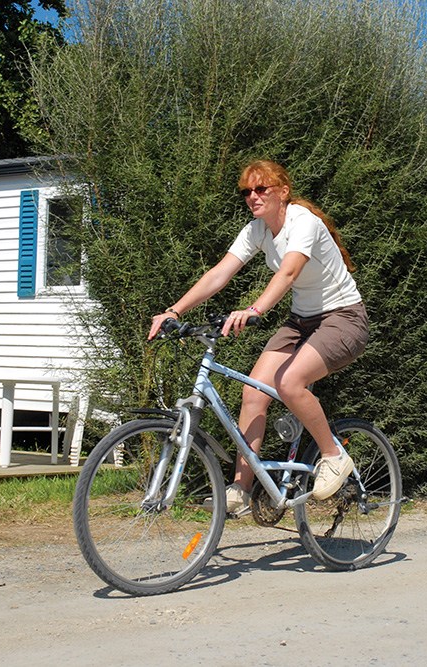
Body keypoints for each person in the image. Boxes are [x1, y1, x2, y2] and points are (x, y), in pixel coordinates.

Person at [148, 159, 369, 514]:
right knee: (252, 391)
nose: (253, 196)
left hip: (344, 318)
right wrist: (174, 310)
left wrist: (254, 310)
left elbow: (289, 272)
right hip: (303, 321)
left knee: (290, 381)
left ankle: (333, 455)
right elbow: (220, 273)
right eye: (247, 191)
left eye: (261, 189)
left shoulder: (303, 222)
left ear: (283, 192)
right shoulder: (257, 230)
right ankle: (240, 490)